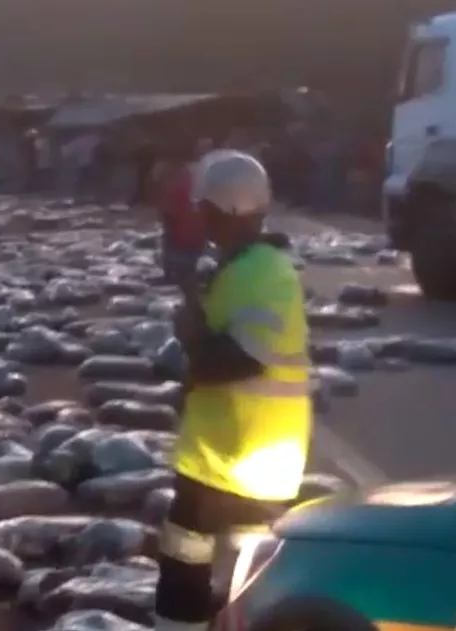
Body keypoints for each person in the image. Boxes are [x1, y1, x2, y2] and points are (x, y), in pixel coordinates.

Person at [154, 150, 311, 631]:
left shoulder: (262, 274)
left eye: (204, 210)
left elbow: (236, 360)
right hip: (238, 458)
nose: (199, 219)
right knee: (243, 583)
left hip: (236, 459)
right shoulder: (242, 267)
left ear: (223, 211)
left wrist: (191, 334)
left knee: (188, 573)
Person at [157, 143, 205, 283]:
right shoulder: (200, 173)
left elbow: (168, 209)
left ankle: (171, 275)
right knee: (190, 259)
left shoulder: (179, 176)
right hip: (195, 228)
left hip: (180, 225)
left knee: (175, 251)